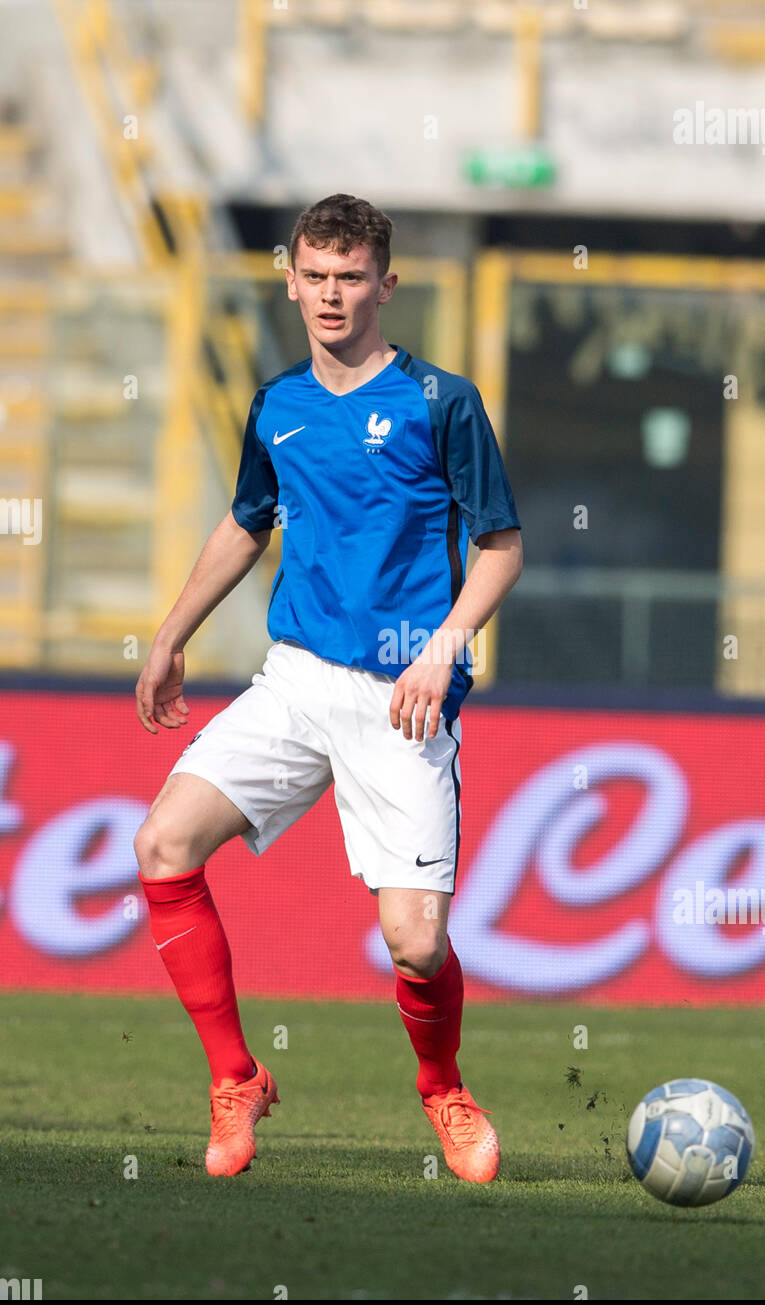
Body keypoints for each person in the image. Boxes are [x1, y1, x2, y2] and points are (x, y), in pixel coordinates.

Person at [134, 193, 522, 1183]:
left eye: (351, 277)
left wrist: (443, 645)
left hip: (405, 694)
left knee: (416, 942)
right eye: (315, 276)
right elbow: (245, 521)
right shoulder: (276, 405)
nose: (331, 295)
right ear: (291, 277)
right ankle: (235, 1079)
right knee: (163, 845)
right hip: (296, 679)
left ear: (386, 286)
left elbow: (500, 545)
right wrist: (171, 634)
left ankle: (441, 1087)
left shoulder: (443, 402)